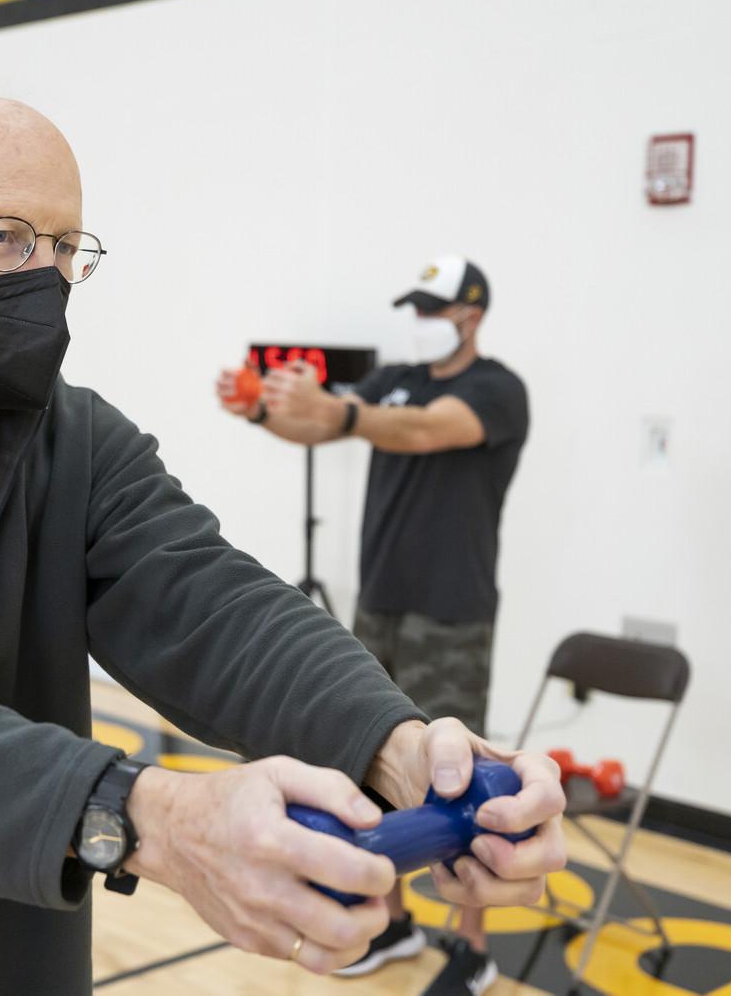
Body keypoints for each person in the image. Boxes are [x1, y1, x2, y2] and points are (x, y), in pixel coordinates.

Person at [0, 94, 565, 996]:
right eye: (3, 236)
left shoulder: (78, 445)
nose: (40, 278)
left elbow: (213, 606)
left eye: (63, 249)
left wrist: (398, 744)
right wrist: (142, 815)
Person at [217, 255, 529, 994]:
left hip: (449, 609)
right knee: (378, 763)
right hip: (379, 599)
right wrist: (261, 407)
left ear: (472, 313)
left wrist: (344, 411)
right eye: (414, 308)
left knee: (459, 781)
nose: (420, 323)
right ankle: (393, 921)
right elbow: (318, 425)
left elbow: (423, 432)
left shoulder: (496, 390)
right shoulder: (396, 379)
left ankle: (472, 944)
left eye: (435, 309)